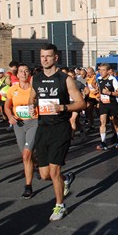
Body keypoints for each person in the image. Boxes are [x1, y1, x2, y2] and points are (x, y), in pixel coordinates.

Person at [30, 44, 85, 221]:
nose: (44, 59)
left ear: (56, 58)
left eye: (48, 56)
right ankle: (65, 179)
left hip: (60, 128)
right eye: (42, 56)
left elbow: (81, 103)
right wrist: (32, 107)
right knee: (45, 174)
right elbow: (32, 97)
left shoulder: (65, 79)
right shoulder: (36, 79)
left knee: (54, 171)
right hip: (43, 128)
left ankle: (60, 206)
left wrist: (63, 107)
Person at [4, 63, 39, 199]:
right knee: (26, 155)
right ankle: (35, 164)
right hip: (18, 124)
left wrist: (35, 104)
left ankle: (28, 186)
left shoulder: (34, 88)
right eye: (21, 71)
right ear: (16, 74)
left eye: (26, 71)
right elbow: (7, 106)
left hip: (33, 122)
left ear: (29, 73)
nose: (23, 74)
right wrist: (10, 117)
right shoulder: (13, 90)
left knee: (26, 155)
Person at [95, 63, 118, 150]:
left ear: (108, 71)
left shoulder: (113, 80)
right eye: (100, 70)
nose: (101, 72)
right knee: (102, 121)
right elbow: (100, 90)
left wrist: (110, 93)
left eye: (103, 70)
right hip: (103, 103)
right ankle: (103, 142)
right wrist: (99, 97)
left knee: (115, 122)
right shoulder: (99, 79)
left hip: (113, 103)